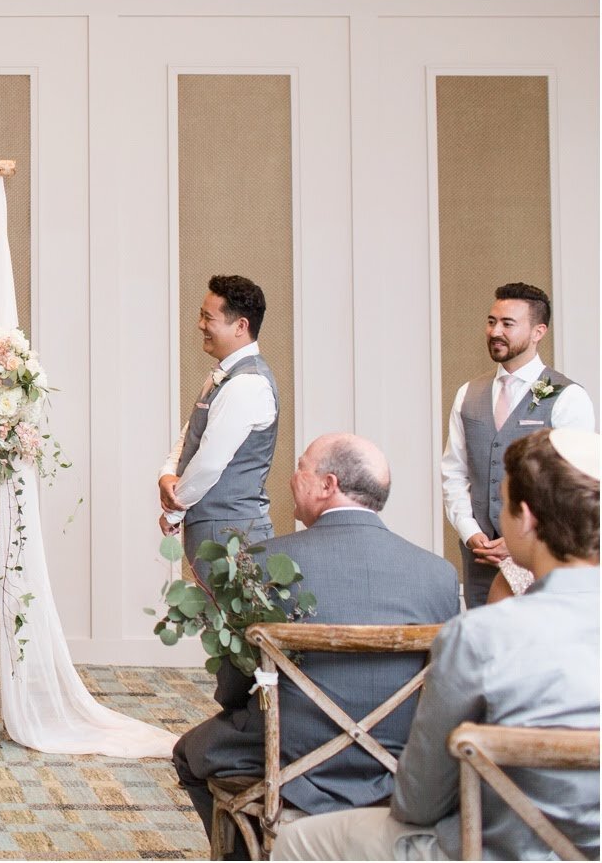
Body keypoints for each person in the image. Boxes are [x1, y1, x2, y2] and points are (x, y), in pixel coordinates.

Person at [274, 428, 600, 860]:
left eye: (501, 505)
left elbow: (418, 802)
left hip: (489, 851)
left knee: (297, 841)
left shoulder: (479, 636)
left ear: (527, 518)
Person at [172, 433, 460, 850]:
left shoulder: (260, 562)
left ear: (327, 484)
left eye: (301, 466)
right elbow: (447, 690)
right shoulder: (439, 575)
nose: (292, 478)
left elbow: (235, 690)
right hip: (397, 766)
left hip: (286, 757)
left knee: (189, 753)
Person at [441, 282, 595, 607]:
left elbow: (577, 488)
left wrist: (519, 542)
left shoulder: (568, 397)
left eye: (508, 324)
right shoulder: (468, 394)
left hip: (541, 559)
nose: (496, 331)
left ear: (538, 331)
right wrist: (470, 532)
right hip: (480, 558)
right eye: (491, 321)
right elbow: (453, 473)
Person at [159, 275, 279, 575]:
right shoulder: (224, 376)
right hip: (214, 528)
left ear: (240, 326)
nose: (200, 324)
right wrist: (167, 474)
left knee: (233, 622)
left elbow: (210, 462)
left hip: (231, 533)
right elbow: (192, 433)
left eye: (207, 317)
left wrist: (175, 510)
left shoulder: (247, 384)